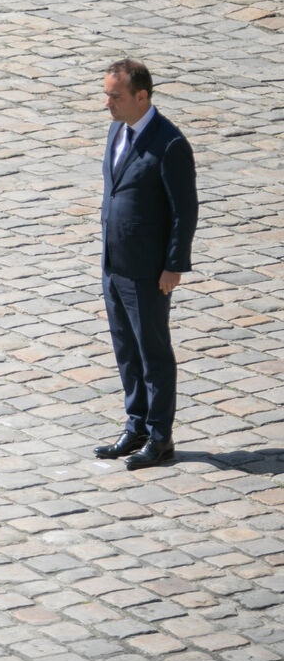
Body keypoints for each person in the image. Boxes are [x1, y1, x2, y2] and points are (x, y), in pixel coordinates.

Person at [93, 59, 198, 469]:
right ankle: (135, 425)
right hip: (114, 262)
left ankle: (159, 437)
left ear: (142, 96)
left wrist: (174, 265)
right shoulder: (117, 129)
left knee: (153, 353)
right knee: (126, 348)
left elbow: (184, 211)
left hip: (149, 269)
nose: (107, 103)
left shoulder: (169, 144)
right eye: (106, 95)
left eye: (115, 96)